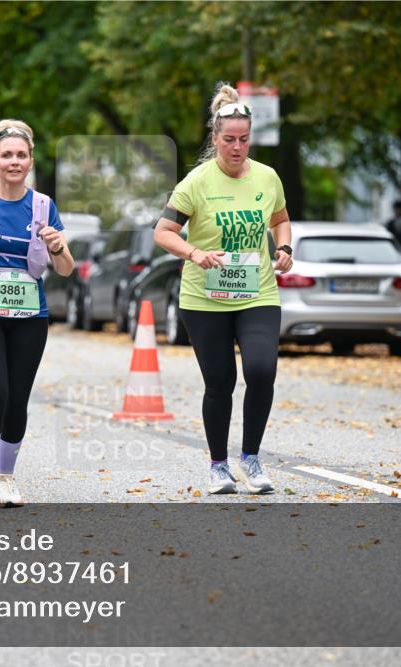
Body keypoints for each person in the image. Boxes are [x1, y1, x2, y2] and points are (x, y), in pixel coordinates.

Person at [153, 83, 293, 496]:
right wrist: (194, 252)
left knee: (262, 370)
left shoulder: (267, 178)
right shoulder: (196, 182)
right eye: (229, 140)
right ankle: (218, 466)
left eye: (244, 140)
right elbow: (163, 232)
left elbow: (281, 219)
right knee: (220, 382)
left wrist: (283, 246)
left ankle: (250, 459)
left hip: (258, 293)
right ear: (215, 138)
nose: (237, 147)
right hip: (204, 299)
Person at [0, 119, 74, 509]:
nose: (14, 161)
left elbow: (67, 268)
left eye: (21, 155)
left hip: (30, 315)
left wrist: (57, 246)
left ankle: (7, 477)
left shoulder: (43, 206)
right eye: (7, 155)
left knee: (17, 398)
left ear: (31, 160)